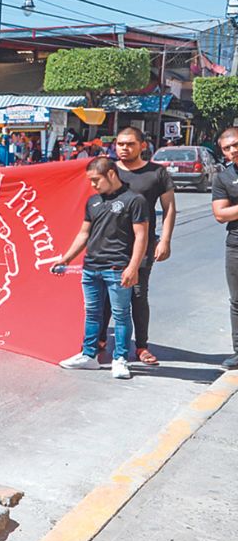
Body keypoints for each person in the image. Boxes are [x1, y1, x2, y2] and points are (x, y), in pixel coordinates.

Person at [55, 157, 149, 380]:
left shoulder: (134, 200)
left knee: (121, 315)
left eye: (96, 180)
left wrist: (133, 267)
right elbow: (84, 234)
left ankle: (120, 359)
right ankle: (89, 355)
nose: (93, 185)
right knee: (93, 314)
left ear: (111, 175)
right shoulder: (93, 202)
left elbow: (141, 236)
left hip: (117, 268)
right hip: (91, 269)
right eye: (91, 181)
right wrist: (66, 259)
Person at [93, 127, 175, 366]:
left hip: (142, 245)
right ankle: (99, 340)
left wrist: (166, 240)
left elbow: (169, 208)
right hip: (109, 246)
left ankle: (141, 346)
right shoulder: (107, 170)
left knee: (138, 296)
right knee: (105, 295)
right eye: (120, 144)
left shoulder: (157, 173)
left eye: (129, 144)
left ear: (142, 146)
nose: (124, 148)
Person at [211, 127, 238, 370]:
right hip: (236, 246)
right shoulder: (223, 178)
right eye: (227, 148)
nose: (233, 150)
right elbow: (220, 214)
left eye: (235, 144)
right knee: (237, 301)